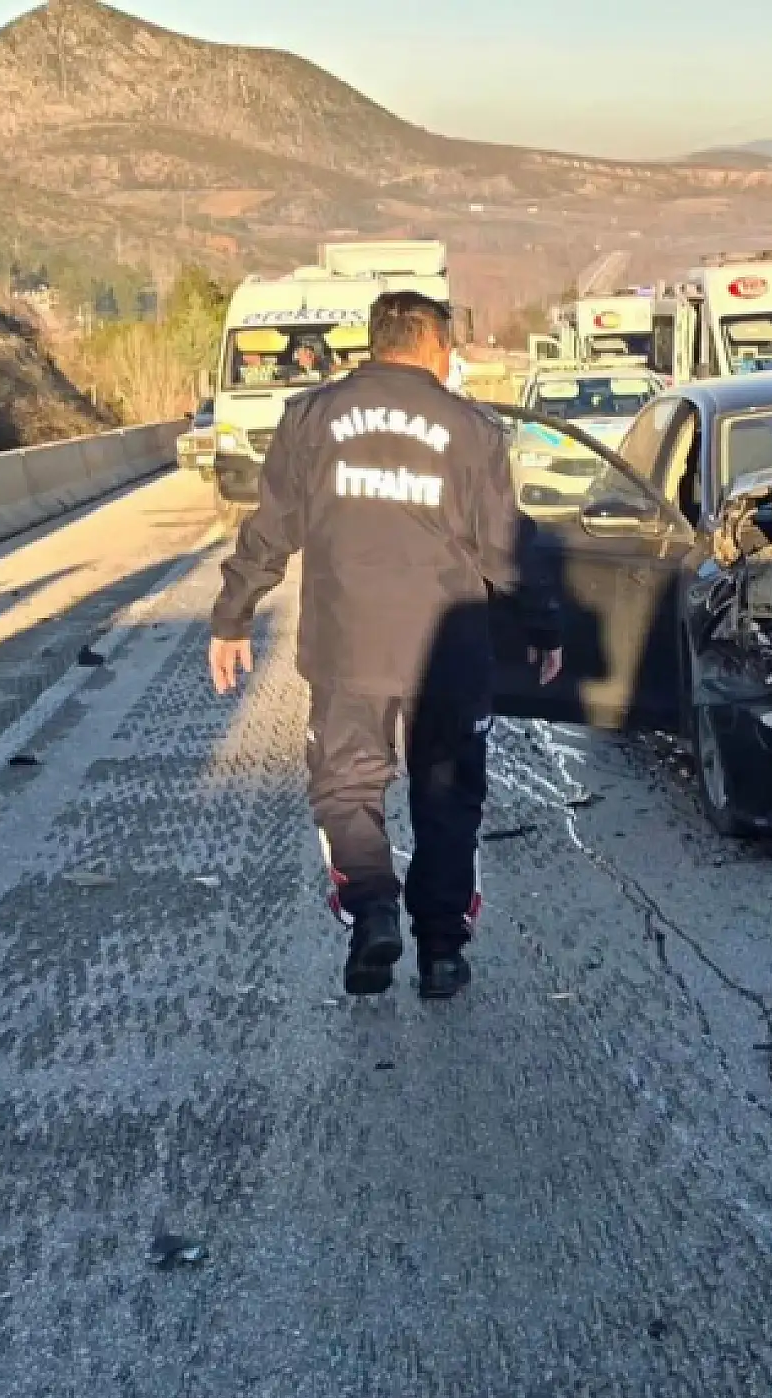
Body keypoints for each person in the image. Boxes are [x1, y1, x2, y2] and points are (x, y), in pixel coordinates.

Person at [208, 291, 562, 1000]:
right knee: (448, 795)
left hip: (349, 643)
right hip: (449, 650)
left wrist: (233, 615)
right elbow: (504, 546)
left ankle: (372, 909)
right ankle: (442, 953)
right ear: (433, 346)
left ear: (376, 343)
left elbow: (271, 527)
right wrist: (543, 627)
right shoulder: (472, 428)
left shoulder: (310, 418)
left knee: (347, 786)